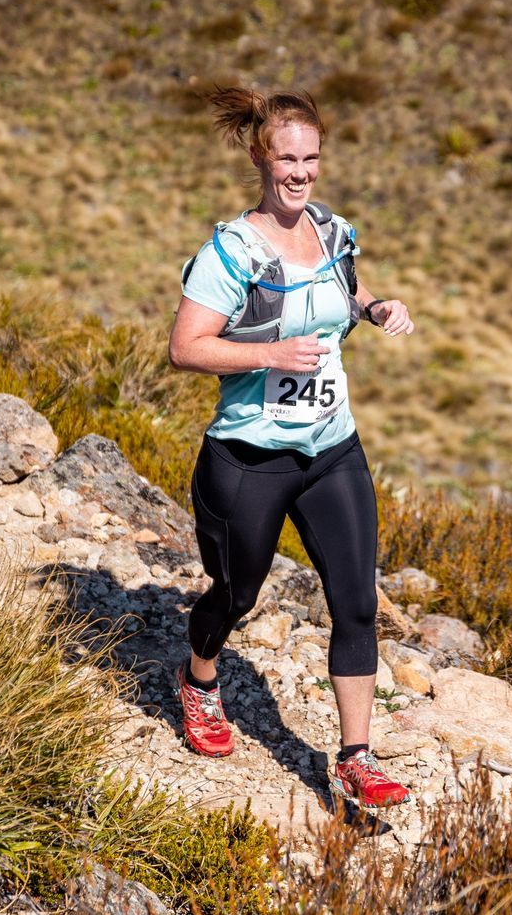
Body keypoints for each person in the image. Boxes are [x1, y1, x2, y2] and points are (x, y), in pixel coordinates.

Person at [166, 83, 416, 808]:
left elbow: (345, 289)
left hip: (332, 449)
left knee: (356, 602)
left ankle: (356, 758)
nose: (300, 172)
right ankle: (199, 681)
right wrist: (270, 354)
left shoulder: (334, 233)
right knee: (236, 594)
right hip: (249, 458)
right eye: (286, 158)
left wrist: (375, 307)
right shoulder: (230, 251)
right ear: (260, 156)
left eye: (311, 158)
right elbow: (185, 349)